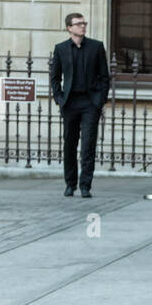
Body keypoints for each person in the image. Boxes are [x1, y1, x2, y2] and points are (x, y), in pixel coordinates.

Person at [49, 12, 111, 198]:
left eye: (84, 23)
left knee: (88, 144)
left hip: (90, 102)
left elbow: (104, 77)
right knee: (69, 143)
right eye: (78, 24)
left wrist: (99, 100)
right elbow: (54, 77)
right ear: (69, 28)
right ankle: (70, 184)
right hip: (69, 103)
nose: (83, 26)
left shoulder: (96, 47)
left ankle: (85, 185)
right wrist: (59, 98)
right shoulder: (60, 49)